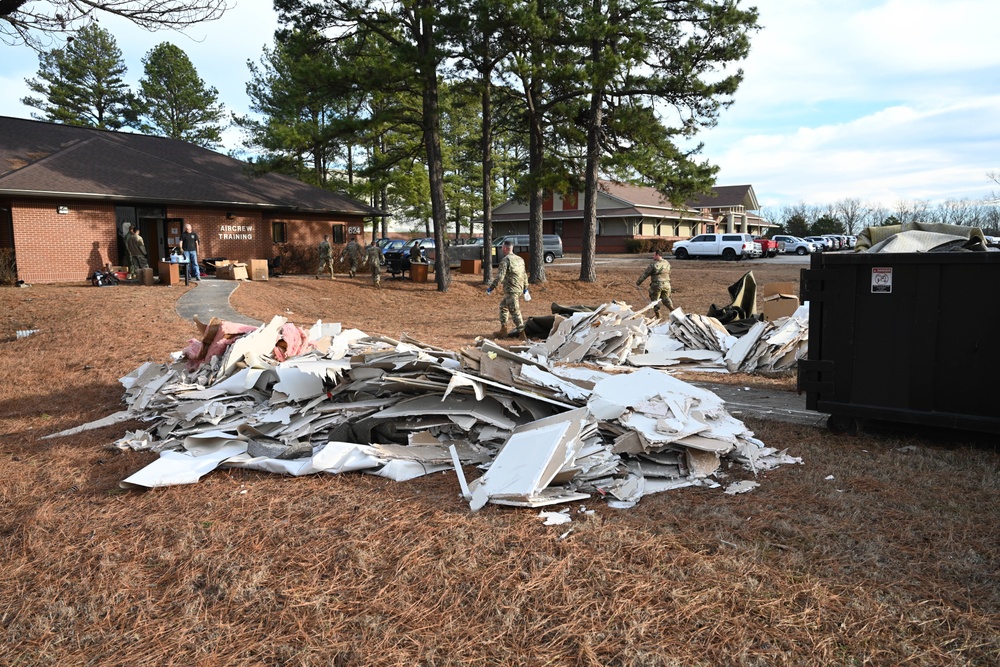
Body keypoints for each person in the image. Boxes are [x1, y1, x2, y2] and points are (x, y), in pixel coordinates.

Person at [486, 239, 527, 339]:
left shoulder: (506, 260)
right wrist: (526, 288)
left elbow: (500, 277)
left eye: (501, 248)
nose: (501, 249)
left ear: (505, 248)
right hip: (518, 288)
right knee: (503, 306)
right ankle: (503, 330)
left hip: (511, 289)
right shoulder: (520, 259)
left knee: (514, 310)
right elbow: (524, 274)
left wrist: (491, 288)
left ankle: (522, 334)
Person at [636, 248, 674, 316]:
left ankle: (658, 314)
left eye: (654, 255)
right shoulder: (667, 263)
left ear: (658, 255)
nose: (653, 257)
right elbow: (669, 272)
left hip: (657, 284)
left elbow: (645, 274)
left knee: (655, 300)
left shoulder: (653, 265)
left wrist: (638, 283)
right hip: (667, 284)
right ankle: (672, 309)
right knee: (666, 298)